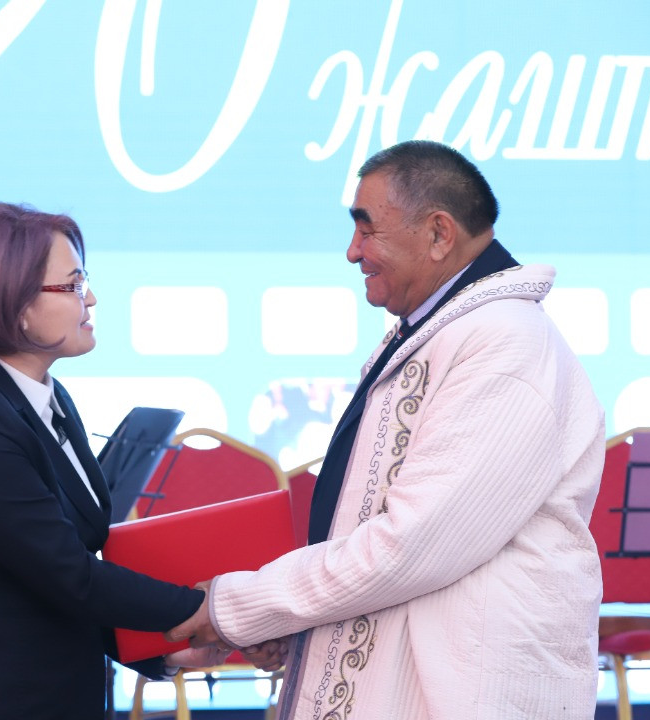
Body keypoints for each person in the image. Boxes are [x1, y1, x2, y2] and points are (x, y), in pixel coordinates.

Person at [168, 141, 605, 719]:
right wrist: (287, 625)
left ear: (439, 234)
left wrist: (239, 606)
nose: (353, 252)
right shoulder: (442, 332)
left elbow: (413, 545)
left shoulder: (506, 343)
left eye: (367, 229)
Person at [0, 202, 239, 720]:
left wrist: (166, 653)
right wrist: (213, 609)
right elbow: (68, 574)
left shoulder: (46, 398)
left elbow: (52, 587)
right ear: (15, 304)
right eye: (74, 284)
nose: (91, 298)